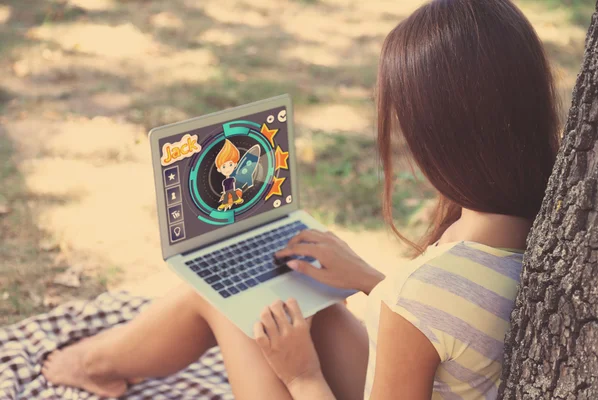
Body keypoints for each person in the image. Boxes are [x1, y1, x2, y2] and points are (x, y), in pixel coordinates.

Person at [42, 0, 560, 398]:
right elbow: (450, 330)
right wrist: (366, 281)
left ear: (435, 138)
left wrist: (301, 373)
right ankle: (98, 362)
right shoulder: (543, 217)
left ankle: (91, 366)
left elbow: (428, 312)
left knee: (224, 298)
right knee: (287, 294)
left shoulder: (421, 294)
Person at [216, 139, 244, 211]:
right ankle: (224, 203)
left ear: (235, 164)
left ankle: (236, 199)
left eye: (230, 164)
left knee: (233, 194)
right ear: (219, 169)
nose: (227, 169)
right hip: (227, 191)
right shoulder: (225, 181)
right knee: (227, 196)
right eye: (224, 166)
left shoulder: (232, 179)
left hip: (231, 190)